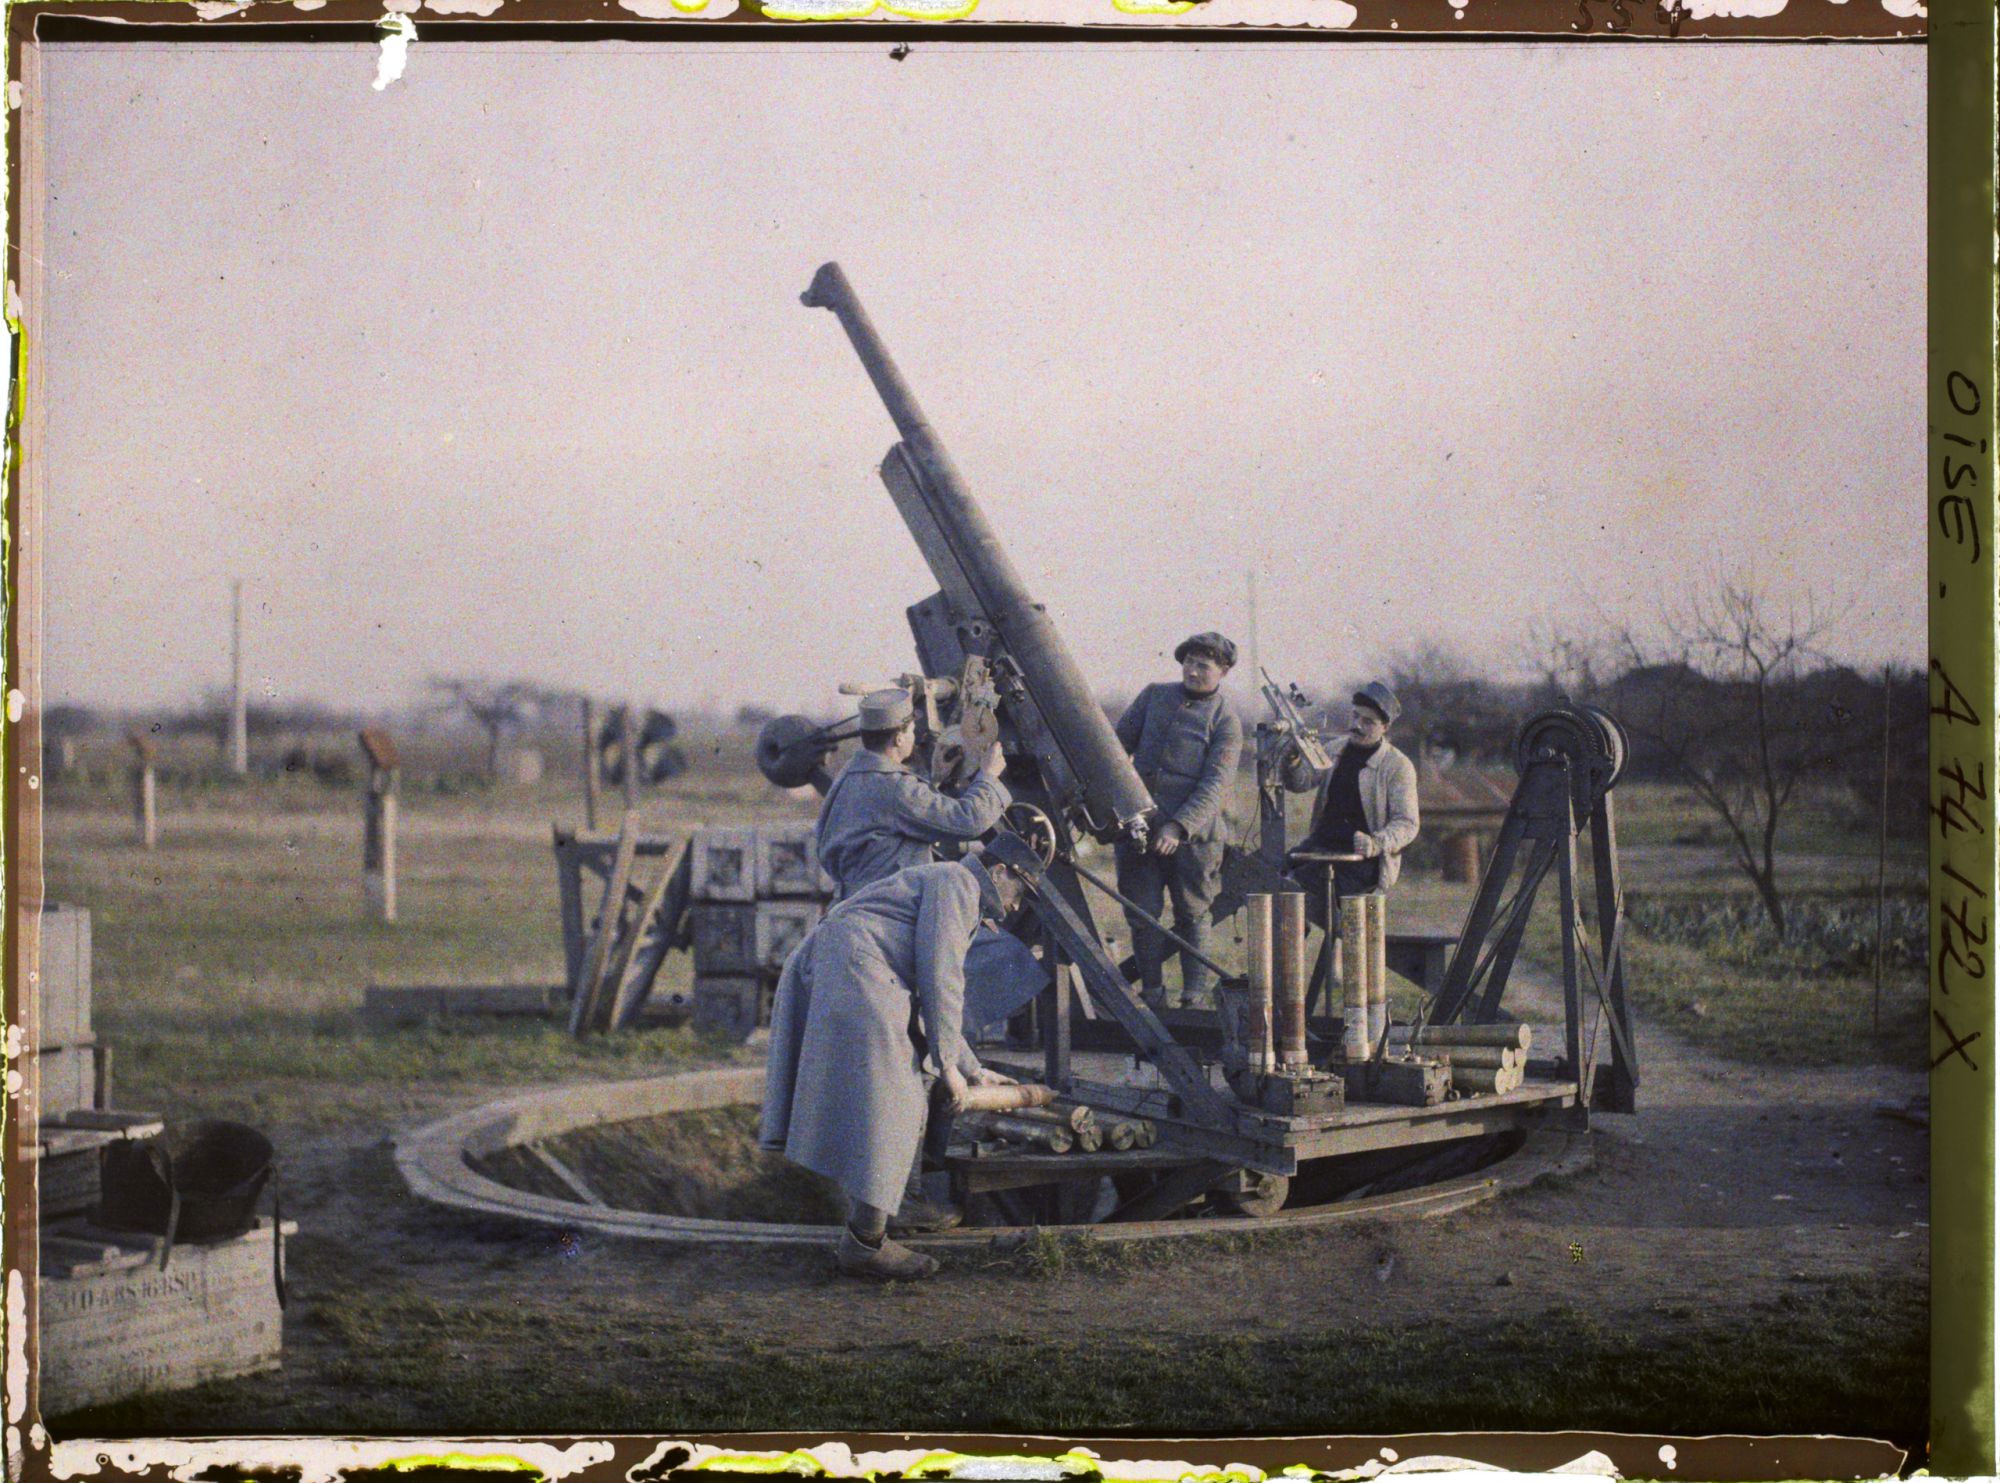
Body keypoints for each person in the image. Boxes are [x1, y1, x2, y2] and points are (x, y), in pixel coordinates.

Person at [759, 839, 1039, 1282]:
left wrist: (969, 1066)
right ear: (1000, 870)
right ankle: (865, 1244)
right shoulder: (958, 882)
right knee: (898, 1094)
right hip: (858, 965)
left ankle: (893, 1208)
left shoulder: (952, 883)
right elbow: (940, 976)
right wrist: (948, 1064)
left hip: (854, 963)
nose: (1016, 903)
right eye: (1020, 888)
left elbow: (931, 991)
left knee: (903, 1089)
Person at [1113, 631, 1244, 1011]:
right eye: (1188, 662)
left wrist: (1178, 827)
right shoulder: (1154, 696)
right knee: (1141, 913)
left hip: (1194, 839)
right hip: (1139, 829)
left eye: (1203, 665)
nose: (1193, 670)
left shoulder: (1226, 722)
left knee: (1192, 914)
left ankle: (1193, 998)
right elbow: (1117, 749)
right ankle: (1152, 995)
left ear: (1223, 671)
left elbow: (1215, 785)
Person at [1281, 679, 1421, 909]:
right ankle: (1291, 939)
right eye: (1355, 716)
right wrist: (1293, 760)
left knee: (1292, 892)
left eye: (1368, 722)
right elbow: (1300, 783)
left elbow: (1407, 823)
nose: (1357, 725)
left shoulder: (1397, 766)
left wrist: (1375, 843)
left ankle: (1307, 937)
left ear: (1385, 727)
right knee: (1273, 877)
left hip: (1362, 862)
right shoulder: (1336, 749)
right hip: (1320, 848)